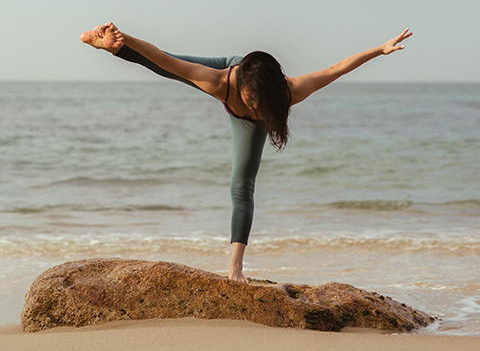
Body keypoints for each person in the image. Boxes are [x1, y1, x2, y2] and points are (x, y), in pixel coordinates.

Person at [80, 23, 412, 283]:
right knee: (168, 67)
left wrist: (380, 50)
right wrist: (126, 39)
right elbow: (165, 59)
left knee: (242, 185)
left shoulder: (292, 91)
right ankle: (110, 45)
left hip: (254, 90)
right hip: (230, 71)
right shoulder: (219, 82)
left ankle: (234, 266)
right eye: (248, 99)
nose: (251, 105)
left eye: (257, 102)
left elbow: (337, 68)